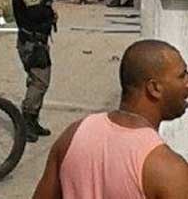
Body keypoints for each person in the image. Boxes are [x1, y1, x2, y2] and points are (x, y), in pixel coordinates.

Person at [33, 40, 188, 199]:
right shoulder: (169, 170)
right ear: (154, 88)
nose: (187, 83)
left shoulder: (74, 134)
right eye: (182, 75)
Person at [12, 0, 73, 143]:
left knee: (39, 80)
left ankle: (33, 120)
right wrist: (50, 14)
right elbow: (35, 11)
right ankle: (26, 120)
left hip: (38, 41)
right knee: (39, 81)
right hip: (31, 42)